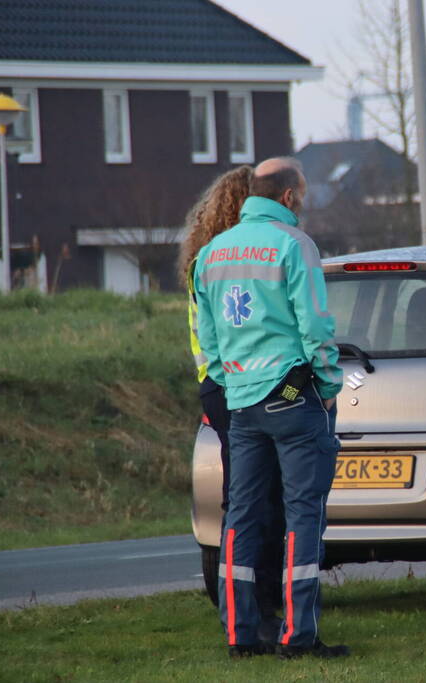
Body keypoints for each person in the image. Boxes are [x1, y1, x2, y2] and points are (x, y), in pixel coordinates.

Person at [193, 157, 347, 660]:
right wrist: (326, 385)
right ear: (287, 197)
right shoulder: (293, 245)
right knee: (303, 515)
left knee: (241, 516)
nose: (301, 205)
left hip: (241, 403)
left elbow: (209, 341)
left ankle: (239, 632)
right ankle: (299, 636)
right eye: (300, 196)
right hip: (292, 396)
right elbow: (317, 327)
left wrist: (232, 381)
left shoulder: (211, 253)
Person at [180, 165, 286, 640]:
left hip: (218, 386)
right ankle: (257, 605)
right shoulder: (241, 259)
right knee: (262, 500)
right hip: (243, 385)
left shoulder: (207, 259)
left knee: (241, 501)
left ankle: (242, 607)